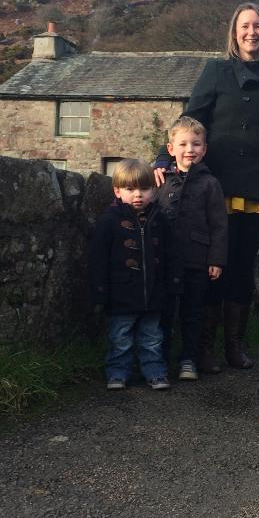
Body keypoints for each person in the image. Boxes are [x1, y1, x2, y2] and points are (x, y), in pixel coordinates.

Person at [155, 2, 259, 371]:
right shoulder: (216, 71)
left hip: (257, 188)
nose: (252, 32)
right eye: (244, 26)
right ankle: (204, 347)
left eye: (258, 26)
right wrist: (161, 159)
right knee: (212, 264)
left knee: (242, 266)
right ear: (234, 33)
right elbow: (190, 117)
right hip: (216, 186)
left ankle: (235, 345)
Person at [88, 159, 171, 391]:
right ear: (117, 191)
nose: (138, 195)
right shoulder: (109, 221)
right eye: (130, 189)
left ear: (154, 190)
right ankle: (117, 373)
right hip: (120, 294)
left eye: (145, 189)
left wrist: (172, 283)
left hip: (153, 294)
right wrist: (100, 292)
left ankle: (155, 372)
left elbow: (169, 254)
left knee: (153, 338)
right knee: (120, 338)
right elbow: (98, 259)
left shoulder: (159, 220)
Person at [157, 116, 228, 381]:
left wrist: (216, 260)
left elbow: (219, 225)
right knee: (164, 312)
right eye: (183, 143)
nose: (190, 149)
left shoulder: (211, 184)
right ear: (171, 148)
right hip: (165, 261)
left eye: (196, 144)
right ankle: (160, 360)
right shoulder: (160, 180)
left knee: (192, 313)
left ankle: (189, 358)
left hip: (196, 261)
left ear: (204, 149)